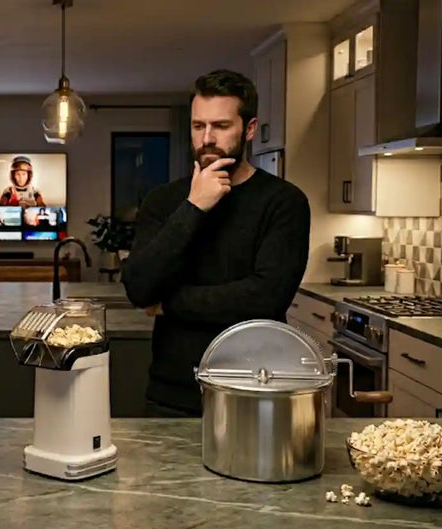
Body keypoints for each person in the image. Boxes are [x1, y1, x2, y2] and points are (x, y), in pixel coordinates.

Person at [121, 69, 311, 417]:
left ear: (249, 129)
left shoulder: (284, 202)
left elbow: (266, 297)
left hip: (254, 389)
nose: (207, 138)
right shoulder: (164, 200)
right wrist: (194, 207)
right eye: (198, 126)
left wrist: (171, 304)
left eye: (221, 126)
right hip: (171, 391)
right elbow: (138, 288)